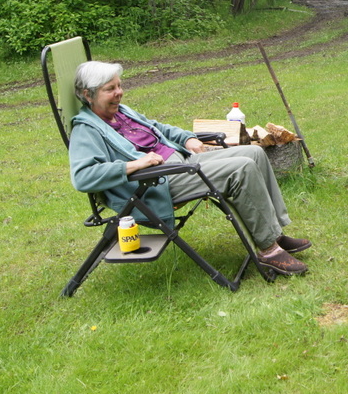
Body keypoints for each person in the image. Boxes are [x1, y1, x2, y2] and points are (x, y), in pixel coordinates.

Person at [68, 61, 309, 276]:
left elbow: (156, 127)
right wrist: (134, 164)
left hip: (182, 163)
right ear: (88, 95)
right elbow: (83, 177)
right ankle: (268, 251)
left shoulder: (121, 112)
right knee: (241, 169)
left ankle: (274, 233)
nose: (119, 93)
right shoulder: (86, 129)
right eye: (110, 89)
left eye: (119, 86)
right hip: (156, 183)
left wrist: (186, 138)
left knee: (254, 152)